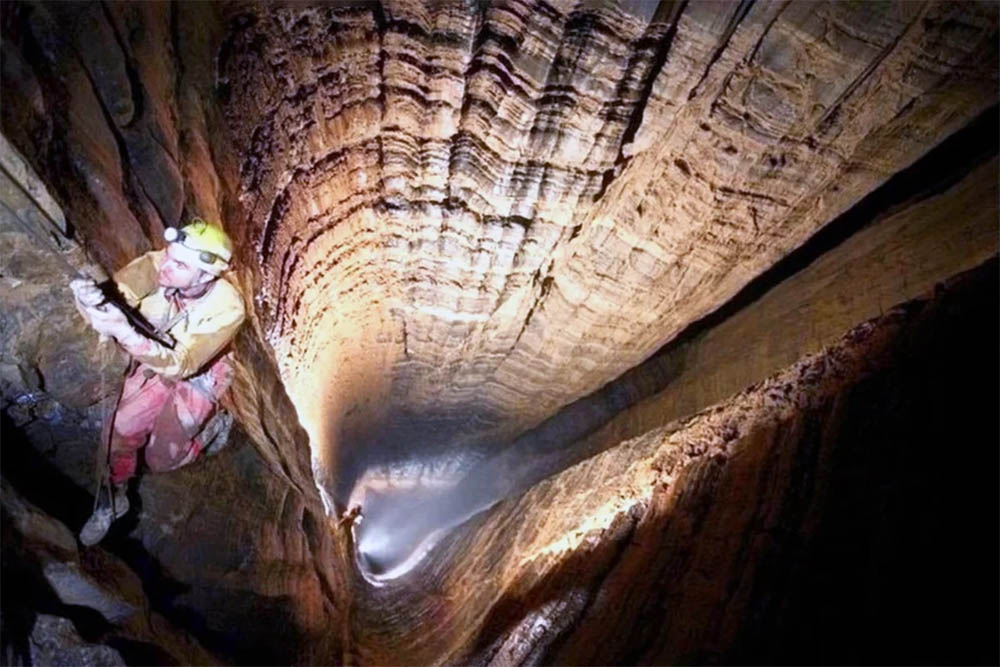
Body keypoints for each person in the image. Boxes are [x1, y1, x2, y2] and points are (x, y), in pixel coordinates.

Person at [70, 219, 245, 545]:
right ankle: (114, 498)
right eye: (169, 254)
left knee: (160, 459)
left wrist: (124, 332)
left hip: (199, 373)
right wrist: (90, 302)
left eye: (179, 264)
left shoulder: (228, 307)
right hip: (154, 358)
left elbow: (184, 364)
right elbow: (112, 301)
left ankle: (211, 429)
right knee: (117, 429)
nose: (166, 265)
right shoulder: (156, 265)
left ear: (206, 275)